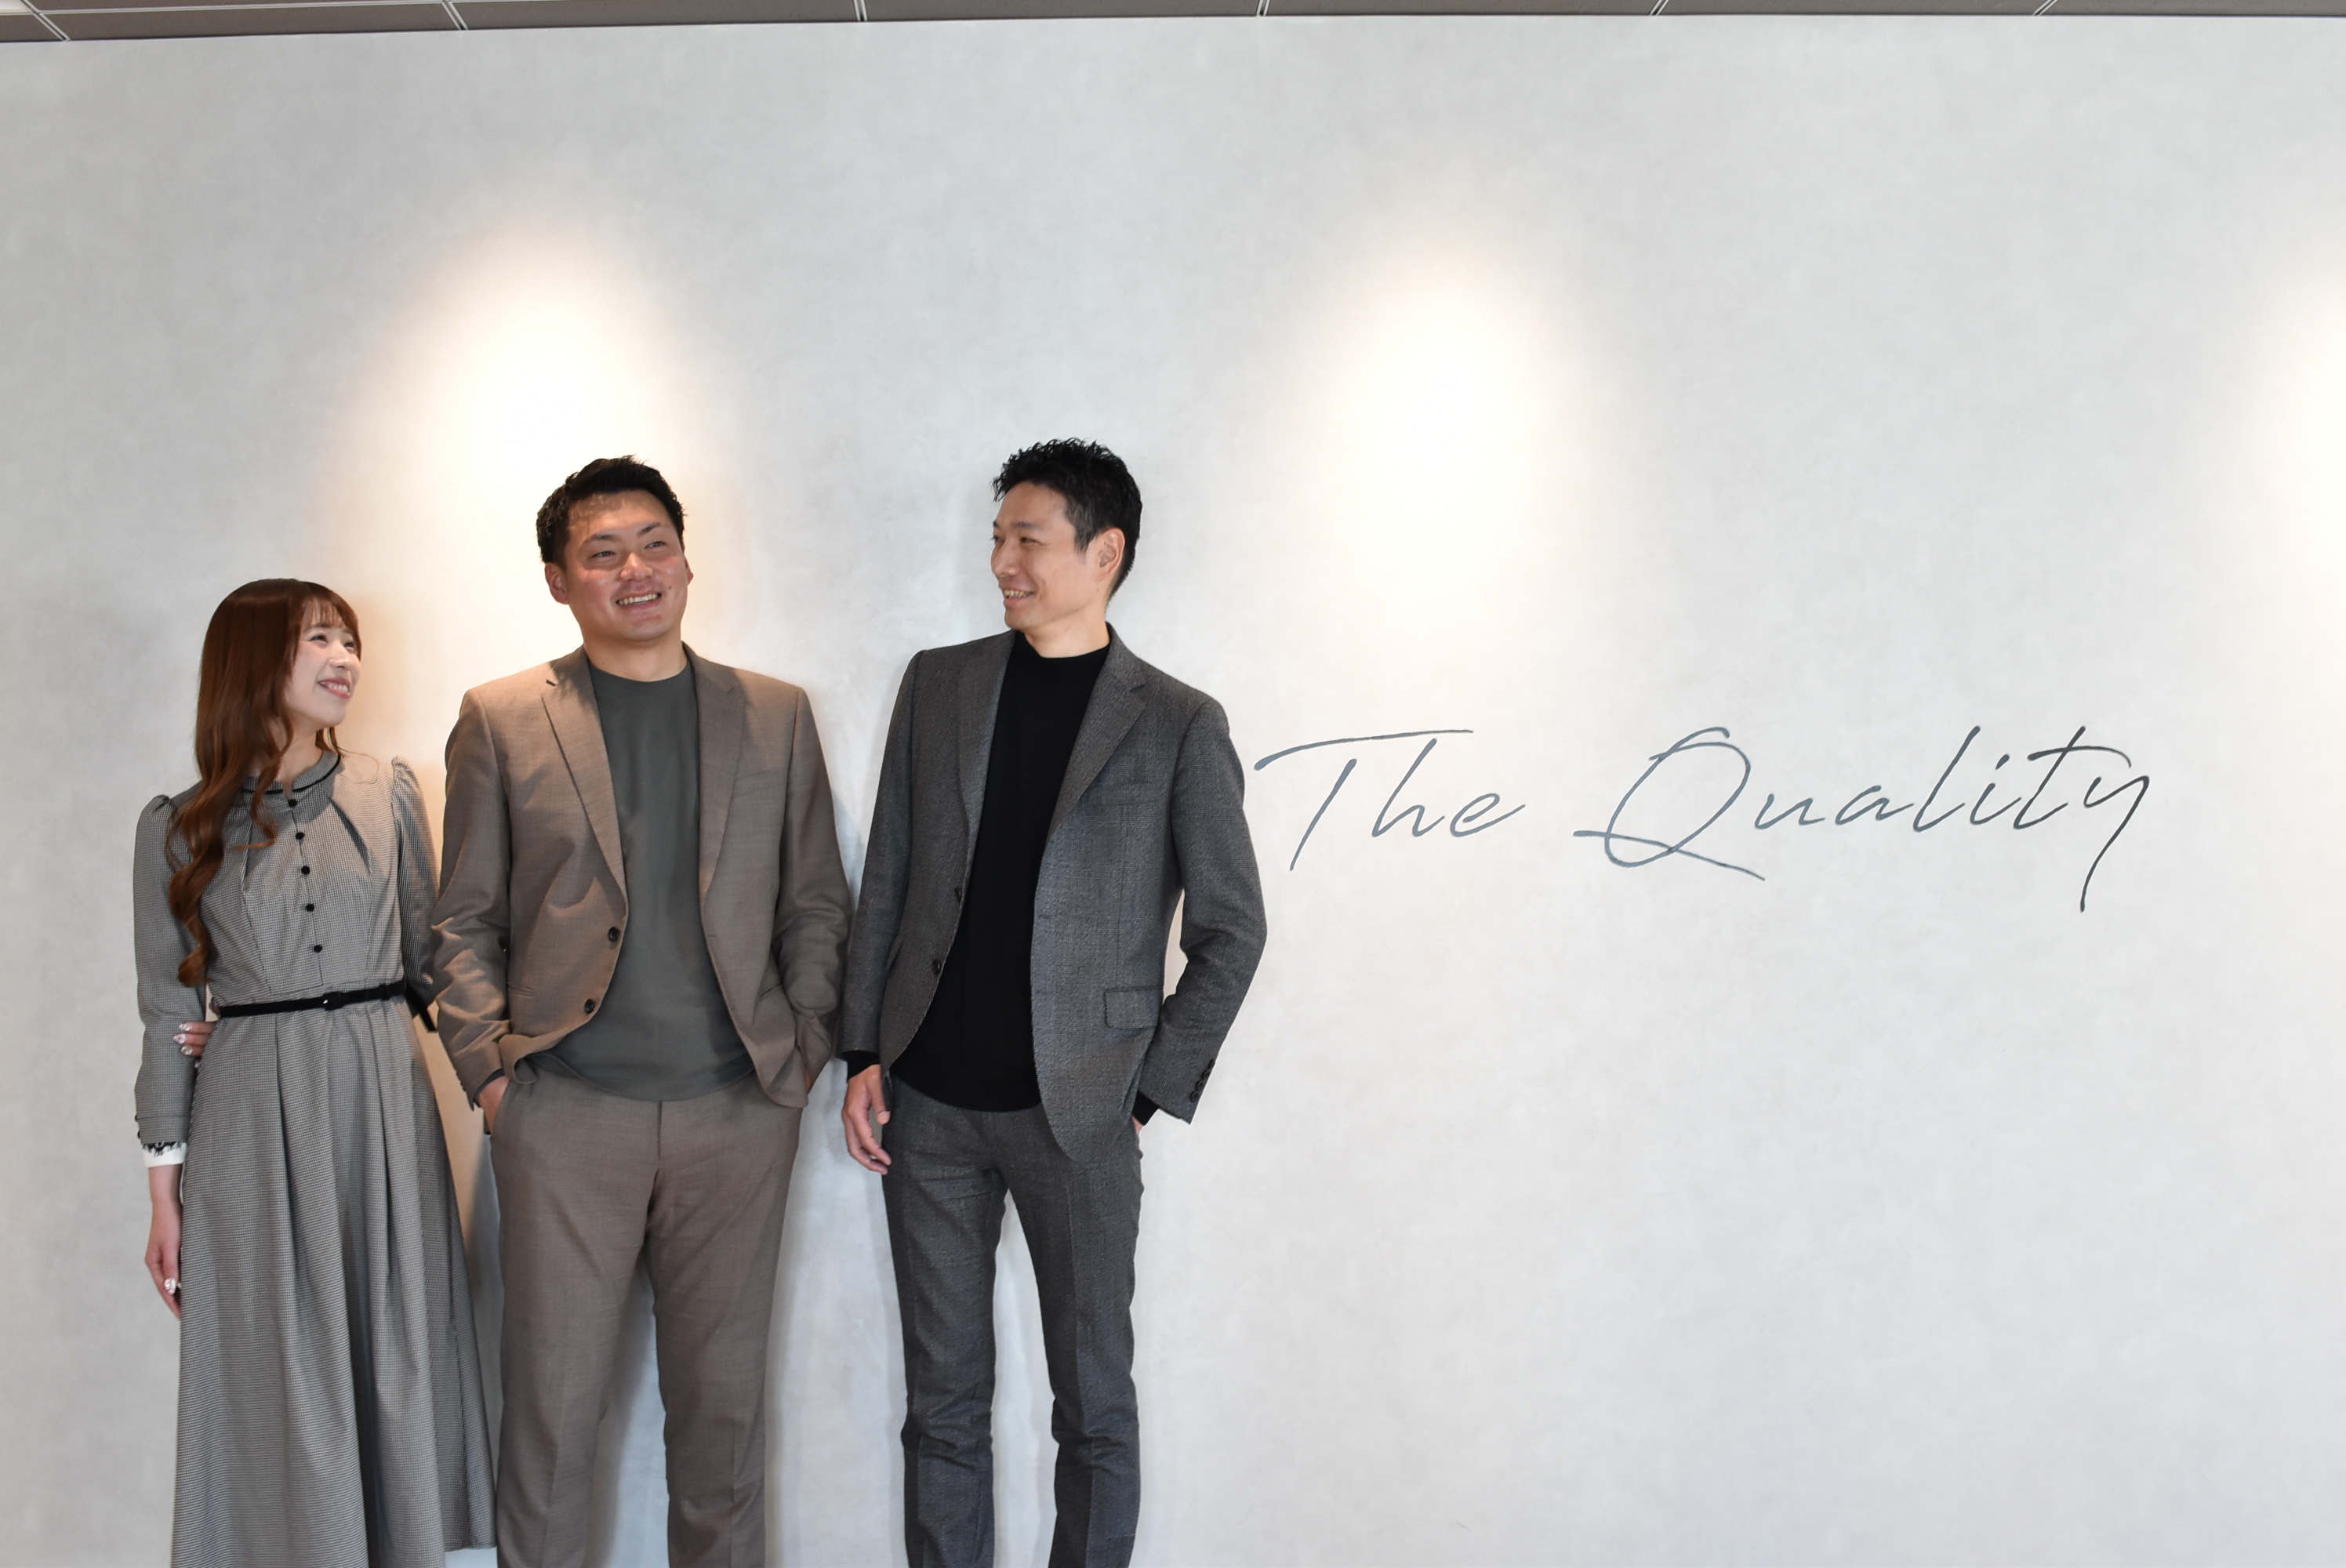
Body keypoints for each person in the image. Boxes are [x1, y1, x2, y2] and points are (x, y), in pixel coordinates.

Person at [837, 439, 1269, 1568]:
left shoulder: (1178, 722)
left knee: (1093, 1408)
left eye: (1026, 539)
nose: (1001, 562)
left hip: (1079, 1115)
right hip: (928, 1104)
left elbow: (1233, 928)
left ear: (1104, 551)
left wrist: (1147, 1088)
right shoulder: (939, 684)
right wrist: (862, 1051)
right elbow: (889, 878)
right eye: (997, 538)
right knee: (941, 1407)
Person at [433, 456, 852, 1568]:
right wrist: (492, 1076)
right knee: (551, 1425)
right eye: (603, 553)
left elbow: (817, 903)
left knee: (724, 1425)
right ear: (558, 580)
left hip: (738, 1113)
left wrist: (802, 1051)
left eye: (654, 543)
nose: (635, 569)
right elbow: (462, 916)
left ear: (686, 560)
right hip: (564, 1114)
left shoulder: (776, 714)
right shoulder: (502, 717)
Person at [133, 578, 495, 1568]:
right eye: (319, 640)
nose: (345, 659)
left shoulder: (389, 790)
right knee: (275, 1360)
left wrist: (504, 1081)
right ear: (255, 660)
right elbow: (167, 1011)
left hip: (381, 1098)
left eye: (350, 640)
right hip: (250, 1116)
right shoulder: (176, 826)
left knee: (397, 1341)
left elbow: (434, 961)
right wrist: (164, 1192)